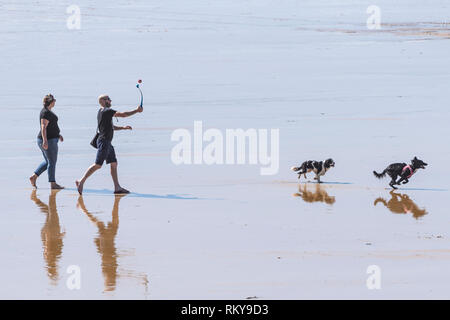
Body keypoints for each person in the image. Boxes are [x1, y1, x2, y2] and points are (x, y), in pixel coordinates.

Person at [76, 94, 143, 194]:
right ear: (102, 101)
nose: (110, 101)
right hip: (103, 141)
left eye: (110, 100)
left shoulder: (101, 111)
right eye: (108, 99)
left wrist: (123, 128)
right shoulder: (107, 111)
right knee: (98, 165)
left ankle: (117, 187)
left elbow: (111, 127)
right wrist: (136, 111)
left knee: (114, 163)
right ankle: (81, 181)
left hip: (107, 142)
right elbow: (123, 114)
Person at [29, 94, 64, 189]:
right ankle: (53, 184)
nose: (55, 102)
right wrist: (45, 141)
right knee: (52, 162)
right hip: (48, 140)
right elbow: (43, 127)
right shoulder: (45, 112)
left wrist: (58, 135)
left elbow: (51, 126)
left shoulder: (48, 111)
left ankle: (34, 176)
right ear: (51, 102)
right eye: (54, 100)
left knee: (48, 162)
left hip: (51, 138)